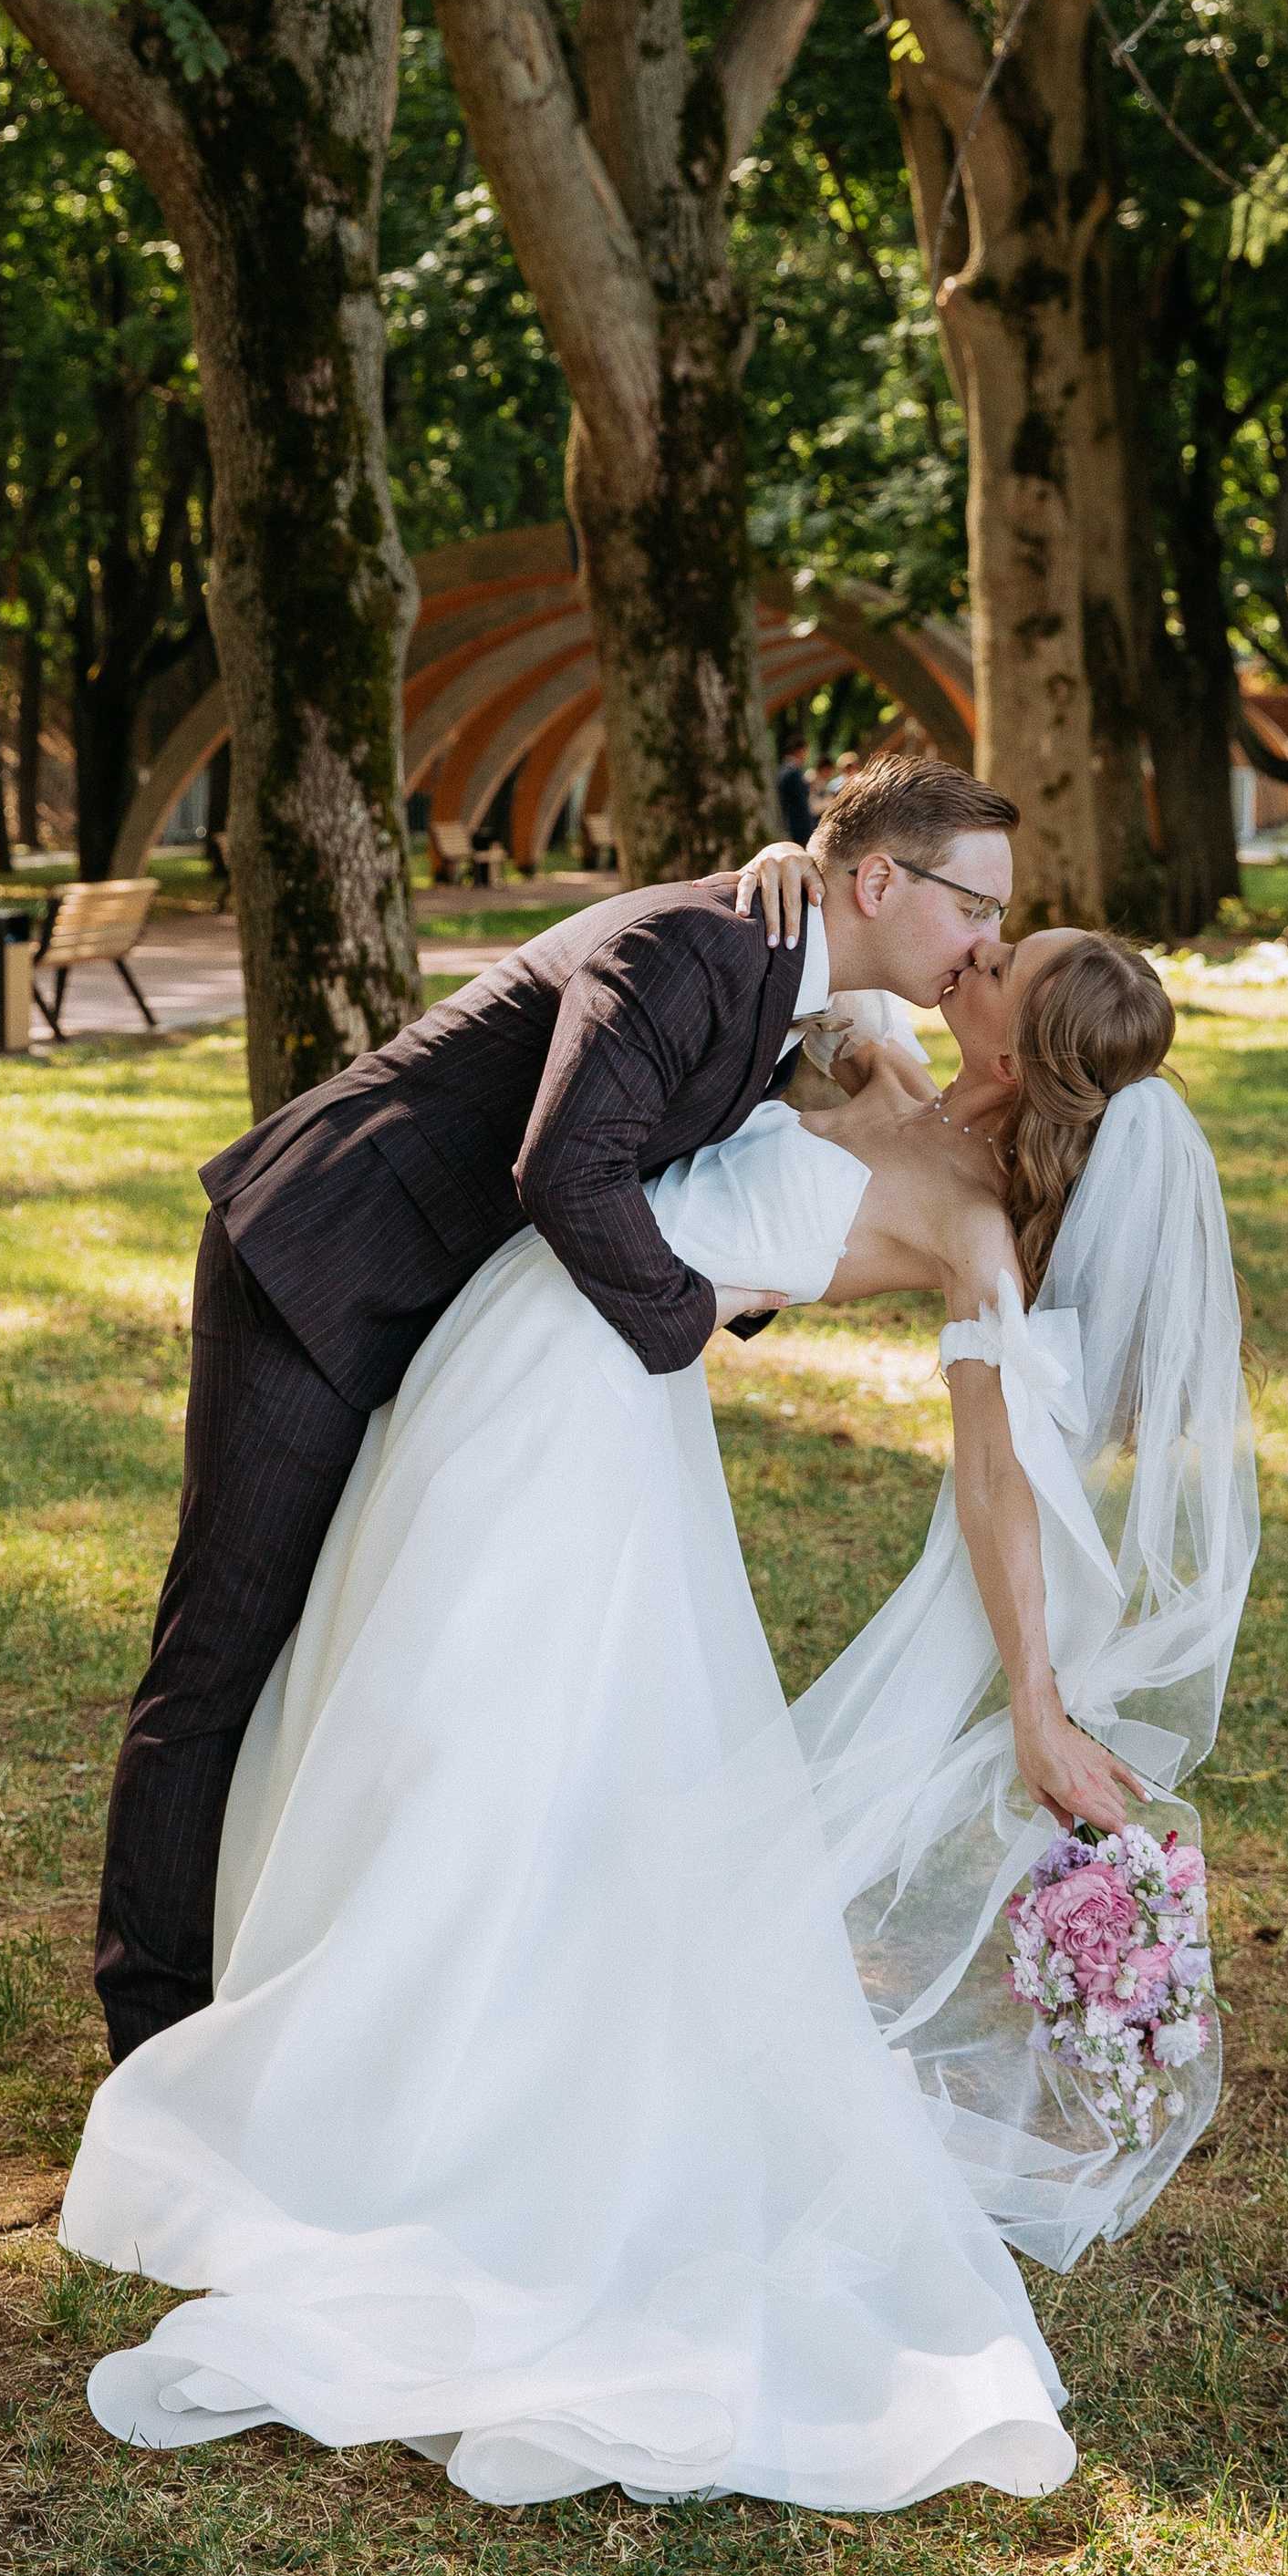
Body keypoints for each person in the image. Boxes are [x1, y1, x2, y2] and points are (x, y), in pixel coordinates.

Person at [60, 874, 1256, 2512]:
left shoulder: (978, 1236)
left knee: (477, 1727)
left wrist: (1037, 1703)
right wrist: (810, 899)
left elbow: (997, 1491)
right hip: (525, 1354)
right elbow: (796, 996)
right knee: (409, 1699)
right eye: (986, 934)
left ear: (1018, 1054)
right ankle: (333, 2020)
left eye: (999, 966)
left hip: (588, 1421)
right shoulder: (891, 1070)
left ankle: (409, 2084)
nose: (972, 955)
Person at [93, 758, 1018, 2064]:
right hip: (328, 1260)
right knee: (224, 1650)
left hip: (456, 1312)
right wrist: (685, 1318)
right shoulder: (697, 948)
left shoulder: (794, 967)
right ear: (877, 880)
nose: (991, 939)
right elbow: (566, 1165)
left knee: (345, 1646)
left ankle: (281, 1969)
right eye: (978, 907)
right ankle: (151, 2029)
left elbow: (781, 1122)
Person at [775, 733, 815, 845]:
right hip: (798, 825)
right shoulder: (792, 771)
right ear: (799, 751)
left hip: (796, 824)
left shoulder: (788, 770)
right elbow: (800, 798)